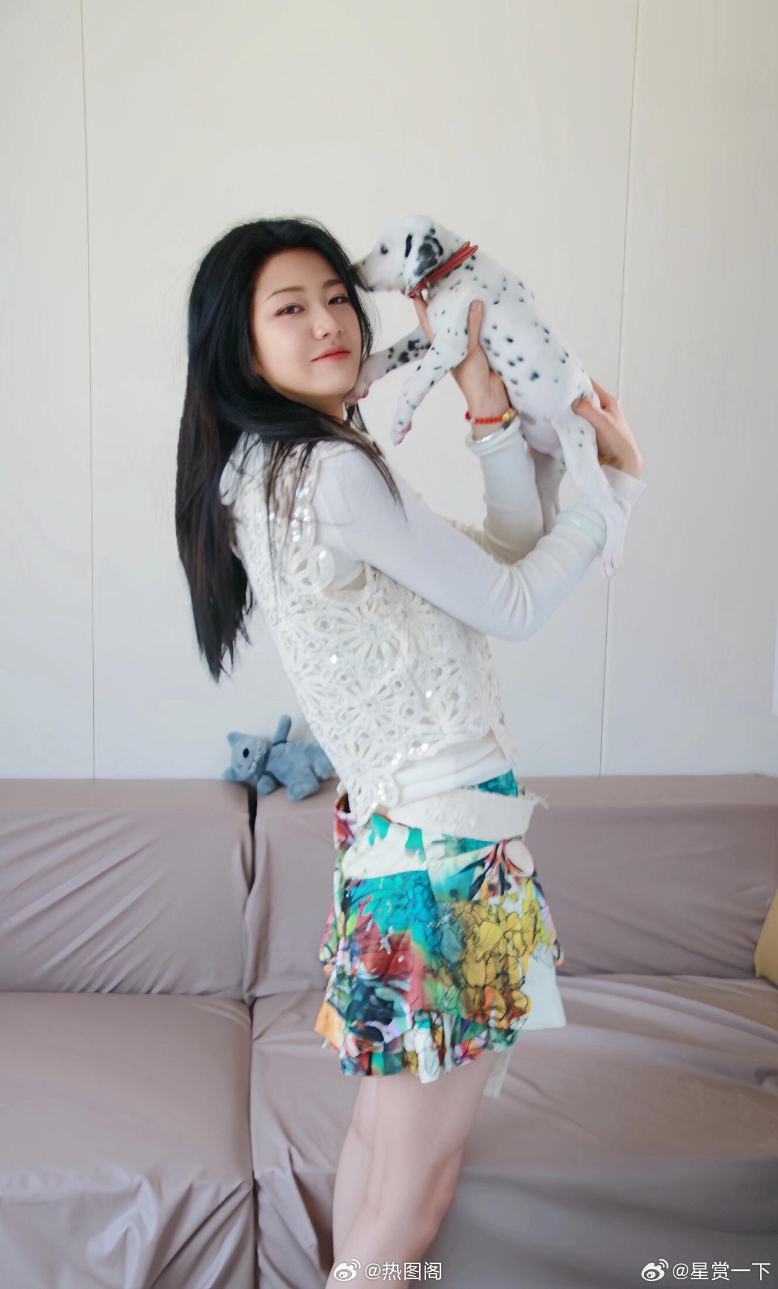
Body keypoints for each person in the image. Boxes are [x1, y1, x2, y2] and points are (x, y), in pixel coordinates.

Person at [175, 216, 646, 1288]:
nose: (330, 321)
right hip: (448, 855)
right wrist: (612, 491)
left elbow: (489, 568)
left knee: (380, 1149)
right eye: (289, 307)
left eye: (337, 297)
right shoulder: (331, 473)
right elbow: (515, 604)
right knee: (416, 1186)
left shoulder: (264, 470)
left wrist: (487, 415)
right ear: (239, 344)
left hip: (400, 847)